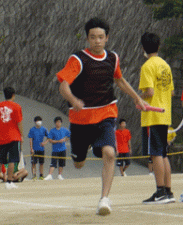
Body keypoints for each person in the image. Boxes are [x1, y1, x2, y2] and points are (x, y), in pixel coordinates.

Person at [56, 17, 146, 215]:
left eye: (100, 37)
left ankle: (104, 199)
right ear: (88, 39)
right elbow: (63, 85)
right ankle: (83, 147)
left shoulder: (113, 58)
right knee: (78, 164)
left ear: (107, 38)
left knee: (110, 153)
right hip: (81, 119)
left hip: (106, 113)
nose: (97, 40)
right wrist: (73, 100)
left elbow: (120, 80)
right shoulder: (78, 59)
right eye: (93, 37)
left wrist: (137, 99)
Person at [139, 32, 175, 204]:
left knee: (155, 153)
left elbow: (149, 92)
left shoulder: (147, 66)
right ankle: (168, 191)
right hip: (165, 113)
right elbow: (172, 91)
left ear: (143, 48)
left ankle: (160, 191)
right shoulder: (165, 65)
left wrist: (139, 99)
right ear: (158, 46)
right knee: (163, 153)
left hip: (153, 115)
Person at [0, 87, 23, 190]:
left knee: (0, 160)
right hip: (14, 136)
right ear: (13, 95)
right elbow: (19, 122)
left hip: (1, 137)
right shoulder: (16, 107)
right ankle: (9, 182)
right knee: (12, 160)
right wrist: (21, 135)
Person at [44, 117, 70, 181]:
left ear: (61, 123)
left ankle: (59, 175)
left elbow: (69, 136)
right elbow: (50, 140)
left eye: (59, 122)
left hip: (63, 149)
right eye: (57, 122)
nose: (58, 123)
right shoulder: (52, 131)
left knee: (61, 163)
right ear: (55, 123)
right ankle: (50, 175)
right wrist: (58, 141)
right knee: (53, 163)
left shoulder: (64, 130)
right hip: (55, 150)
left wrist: (65, 139)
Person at [28, 116, 49, 180]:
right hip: (34, 149)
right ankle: (34, 175)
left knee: (41, 163)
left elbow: (49, 137)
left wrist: (45, 143)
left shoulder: (44, 129)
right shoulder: (32, 130)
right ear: (35, 122)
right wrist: (31, 148)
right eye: (37, 121)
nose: (39, 122)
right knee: (34, 163)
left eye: (40, 120)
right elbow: (30, 139)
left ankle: (41, 175)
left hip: (41, 149)